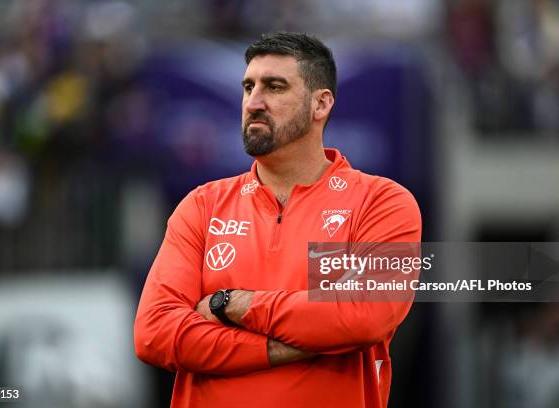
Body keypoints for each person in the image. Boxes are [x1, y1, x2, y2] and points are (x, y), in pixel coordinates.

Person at [134, 32, 421, 407]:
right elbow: (155, 333)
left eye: (274, 87)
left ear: (321, 104)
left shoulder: (381, 202)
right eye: (248, 86)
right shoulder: (202, 206)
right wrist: (276, 348)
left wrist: (232, 304)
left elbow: (363, 315)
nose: (254, 102)